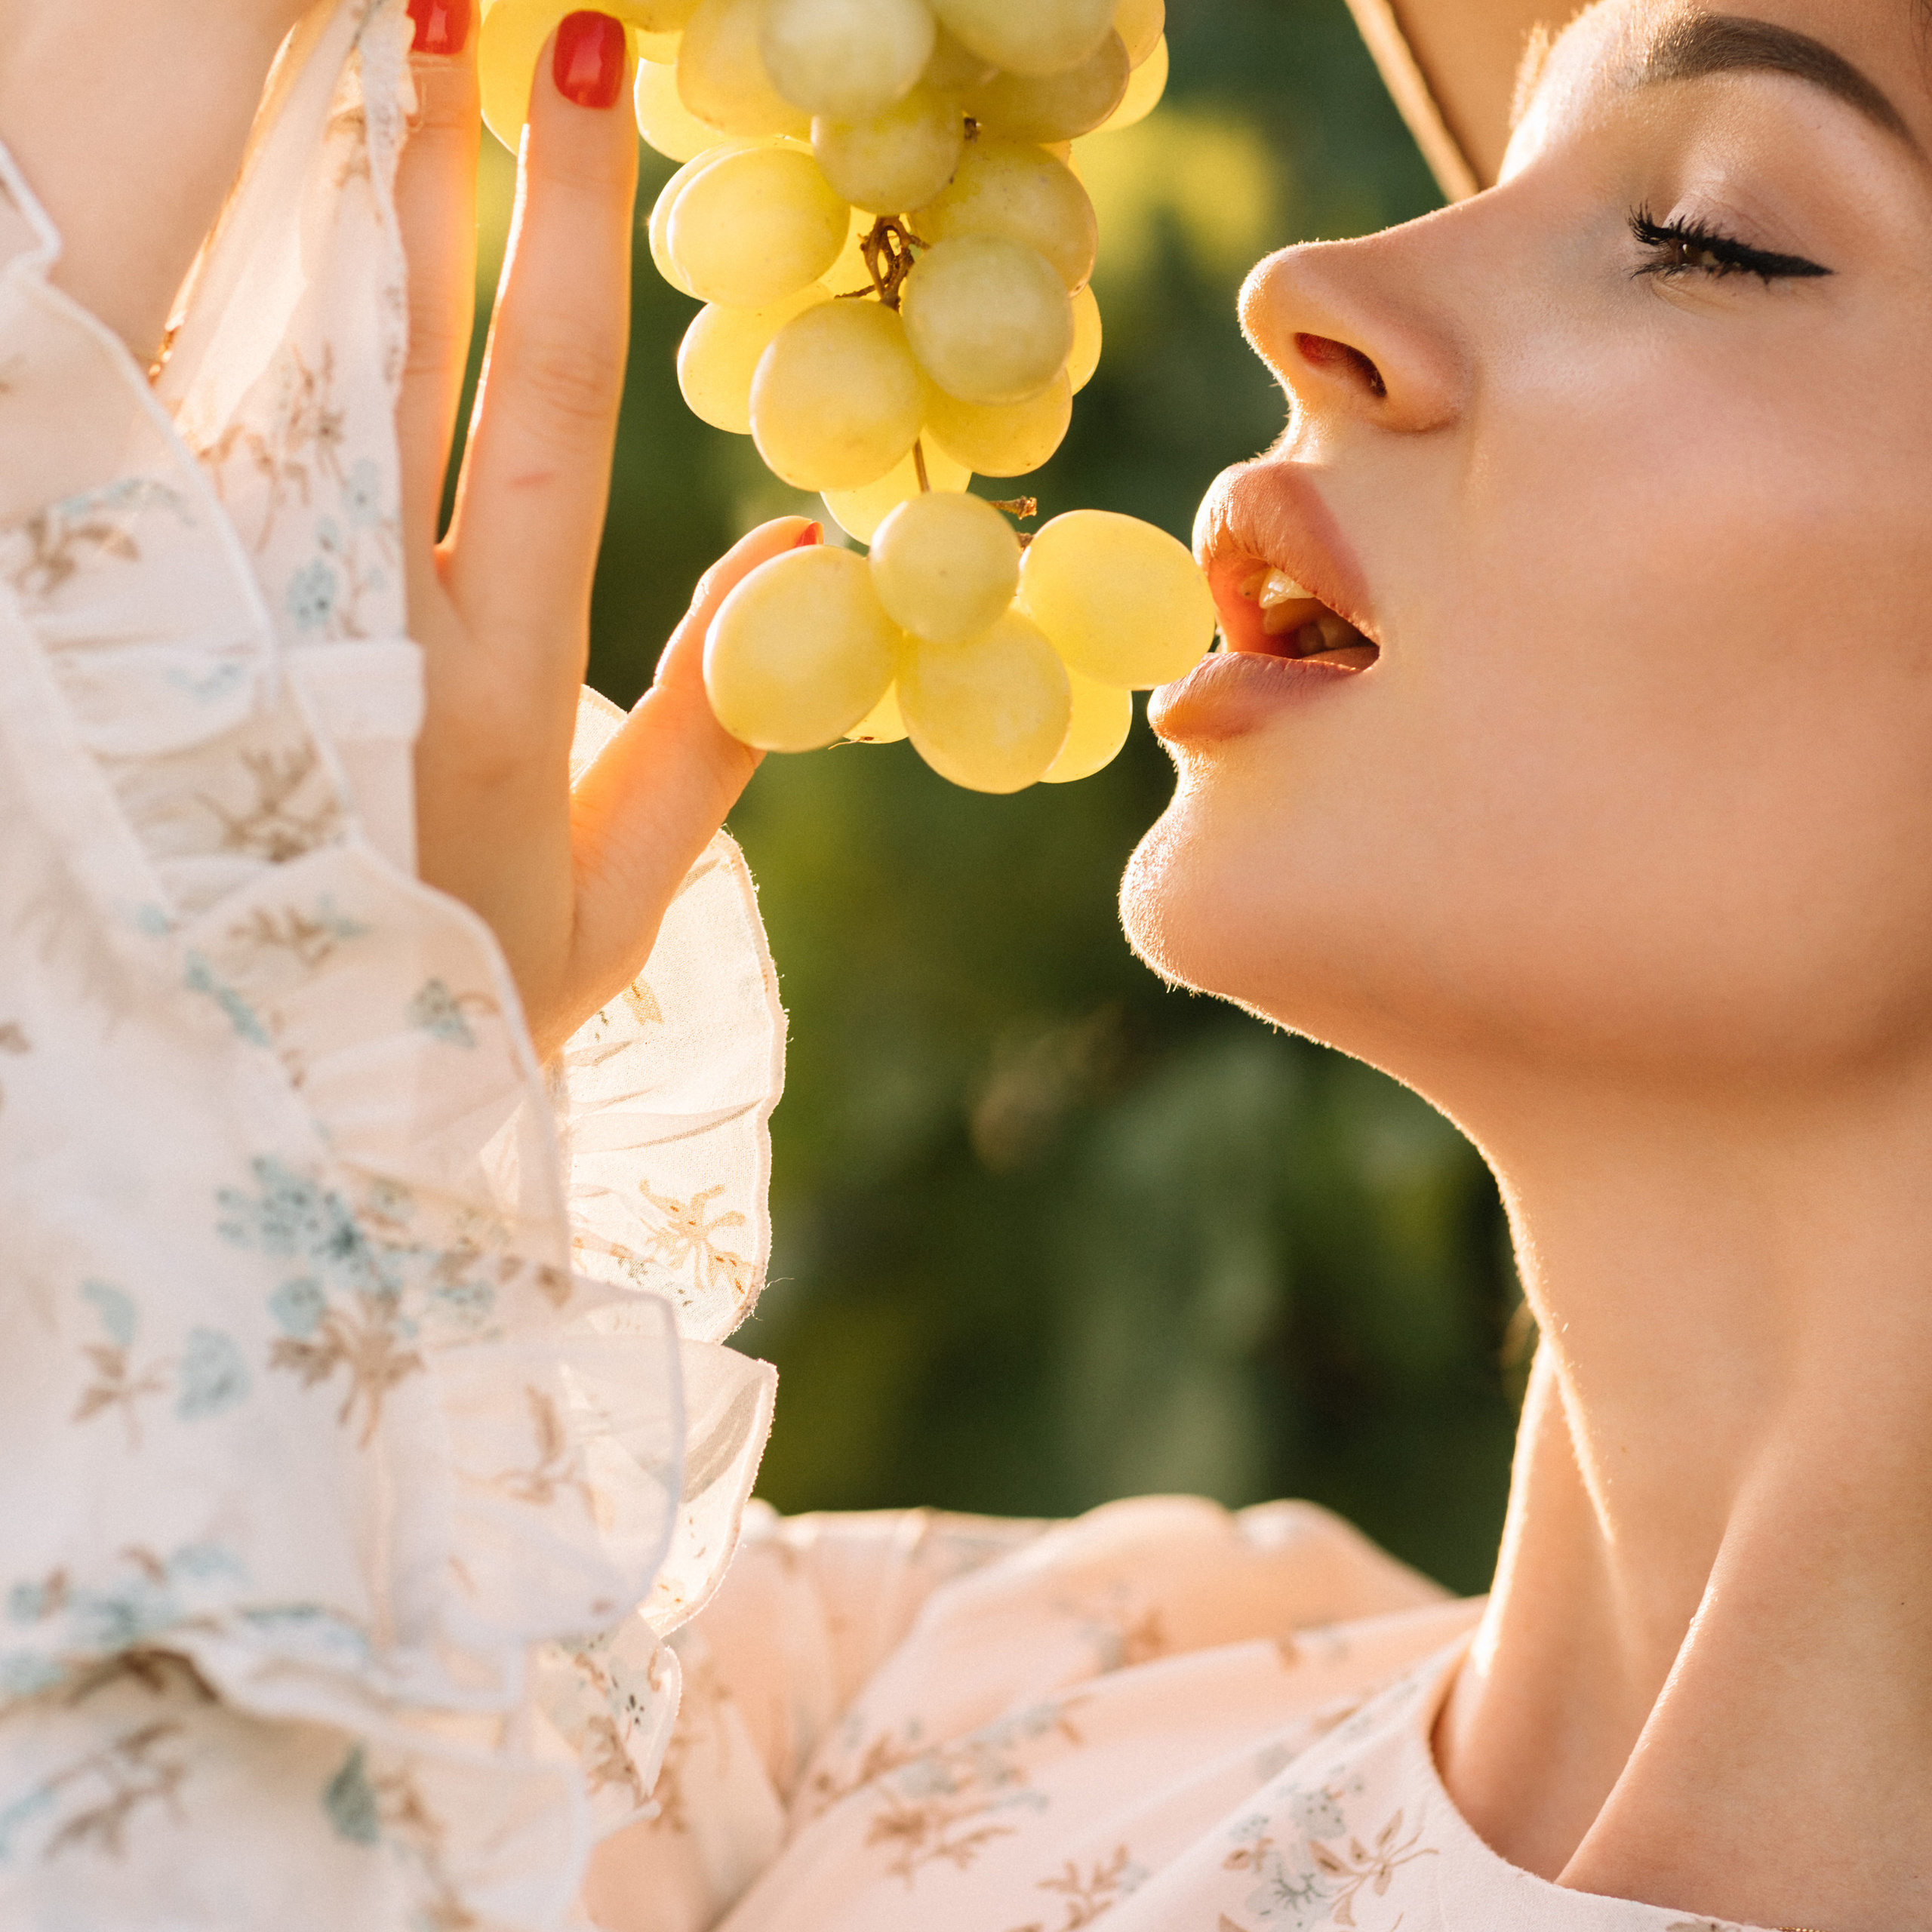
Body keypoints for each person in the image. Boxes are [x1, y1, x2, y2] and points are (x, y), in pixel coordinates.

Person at [2, 1, 1925, 1929]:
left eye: (1710, 231)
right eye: (1493, 171)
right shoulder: (995, 1692)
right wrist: (295, 1107)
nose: (1303, 288)